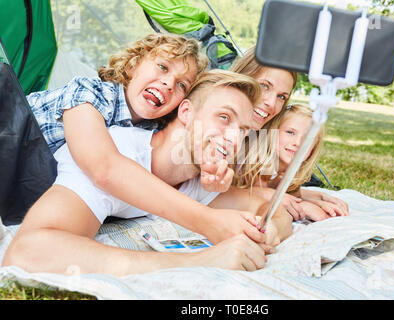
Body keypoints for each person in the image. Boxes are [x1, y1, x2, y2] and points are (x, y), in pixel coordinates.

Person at [2, 70, 292, 276]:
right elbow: (28, 252)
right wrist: (200, 261)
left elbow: (269, 207)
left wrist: (270, 232)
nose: (233, 138)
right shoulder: (118, 150)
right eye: (224, 118)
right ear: (187, 112)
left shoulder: (200, 180)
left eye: (243, 131)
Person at [21, 34, 262, 244]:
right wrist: (206, 220)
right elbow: (102, 166)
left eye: (181, 84)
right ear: (132, 66)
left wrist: (211, 180)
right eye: (163, 67)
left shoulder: (151, 128)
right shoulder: (90, 94)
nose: (168, 83)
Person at [230, 47, 349, 218]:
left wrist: (310, 196)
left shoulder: (256, 137)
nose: (271, 103)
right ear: (243, 76)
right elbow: (214, 193)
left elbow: (257, 185)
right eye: (264, 86)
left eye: (281, 97)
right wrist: (276, 198)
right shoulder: (214, 126)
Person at [235, 103, 349, 221]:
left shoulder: (287, 168)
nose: (298, 142)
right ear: (272, 131)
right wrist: (303, 207)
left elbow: (290, 195)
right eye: (290, 132)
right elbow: (254, 193)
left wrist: (321, 200)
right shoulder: (258, 161)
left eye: (307, 138)